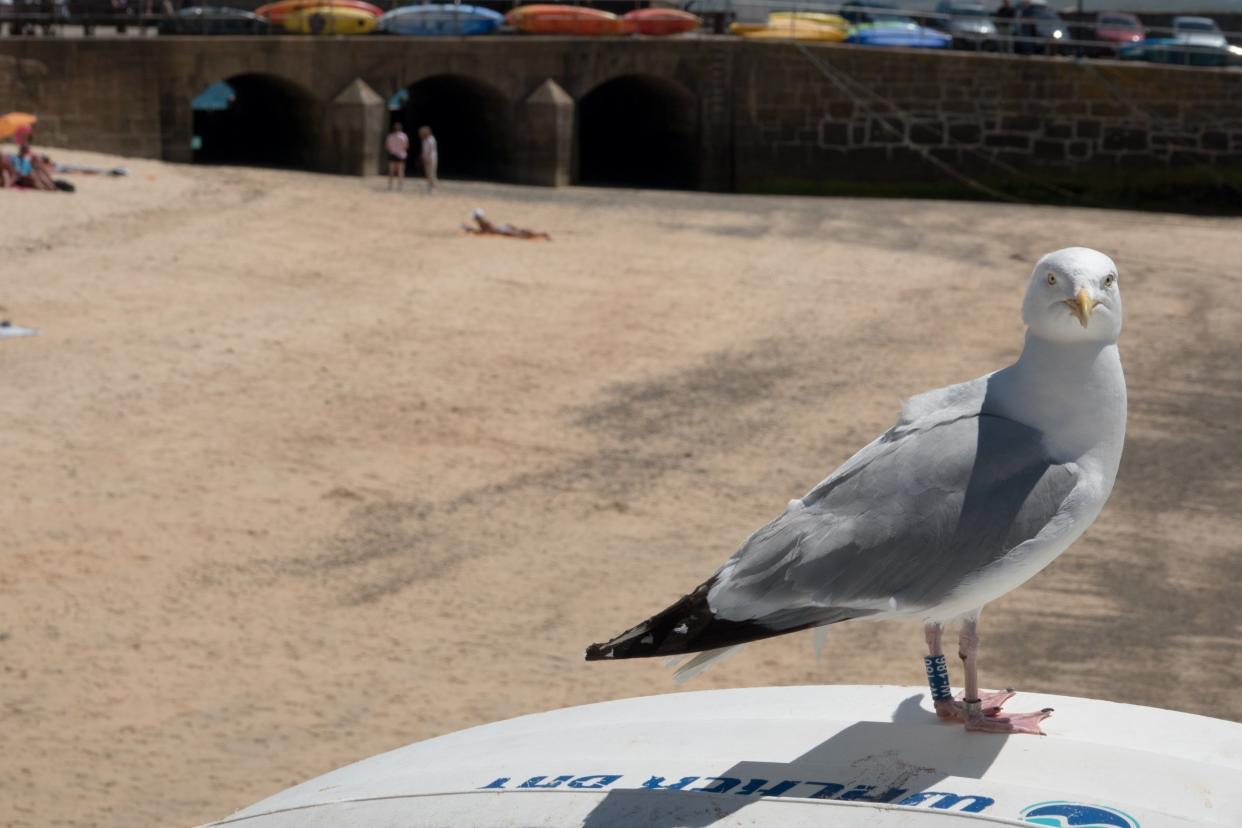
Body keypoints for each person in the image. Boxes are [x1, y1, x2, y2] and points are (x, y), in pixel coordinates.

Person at [463, 208, 551, 241]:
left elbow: (489, 230)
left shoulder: (483, 222)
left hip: (502, 230)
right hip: (503, 228)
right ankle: (542, 234)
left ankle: (542, 234)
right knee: (521, 232)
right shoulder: (483, 221)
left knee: (522, 235)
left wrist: (472, 231)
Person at [384, 121, 409, 191]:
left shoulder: (390, 136)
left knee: (391, 171)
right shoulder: (404, 136)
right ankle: (400, 187)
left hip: (392, 155)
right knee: (400, 172)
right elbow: (406, 146)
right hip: (401, 155)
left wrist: (393, 149)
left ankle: (390, 186)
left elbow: (386, 146)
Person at [418, 125, 437, 193]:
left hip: (431, 159)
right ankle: (429, 187)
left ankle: (433, 188)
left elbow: (431, 150)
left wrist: (427, 158)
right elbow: (424, 151)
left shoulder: (431, 139)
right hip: (426, 158)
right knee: (427, 174)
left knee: (432, 174)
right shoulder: (424, 140)